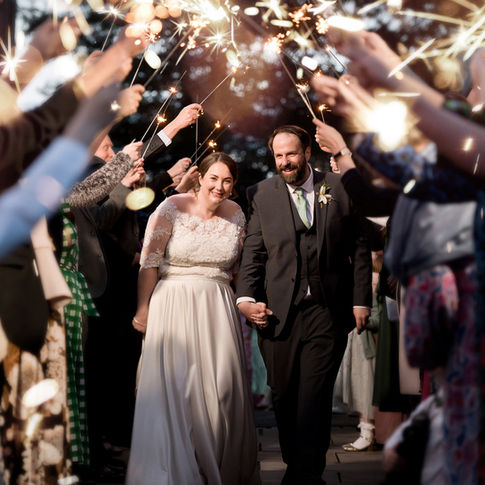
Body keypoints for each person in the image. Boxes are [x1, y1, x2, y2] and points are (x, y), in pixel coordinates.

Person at [236, 125, 372, 485]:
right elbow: (254, 251)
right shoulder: (261, 194)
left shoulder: (339, 187)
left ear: (307, 152)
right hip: (278, 314)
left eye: (291, 154)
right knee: (284, 395)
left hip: (327, 310)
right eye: (279, 155)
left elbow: (358, 247)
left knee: (314, 395)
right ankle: (297, 466)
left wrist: (361, 300)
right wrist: (246, 298)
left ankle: (306, 475)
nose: (285, 162)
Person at [127, 152, 260, 485]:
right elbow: (149, 263)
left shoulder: (237, 214)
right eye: (214, 178)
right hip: (173, 303)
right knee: (177, 390)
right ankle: (173, 472)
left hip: (217, 306)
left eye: (227, 180)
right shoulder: (171, 207)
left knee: (223, 390)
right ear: (201, 177)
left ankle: (215, 466)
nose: (220, 186)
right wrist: (143, 309)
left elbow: (239, 269)